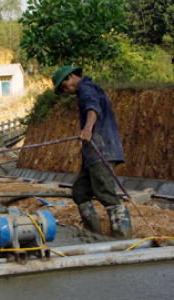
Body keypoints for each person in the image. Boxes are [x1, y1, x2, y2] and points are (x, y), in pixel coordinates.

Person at [52, 66, 132, 240]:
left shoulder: (87, 88)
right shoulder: (83, 91)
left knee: (105, 192)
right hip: (93, 154)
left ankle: (123, 240)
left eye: (64, 87)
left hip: (101, 149)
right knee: (80, 191)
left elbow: (92, 107)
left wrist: (87, 128)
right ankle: (94, 236)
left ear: (71, 76)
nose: (65, 91)